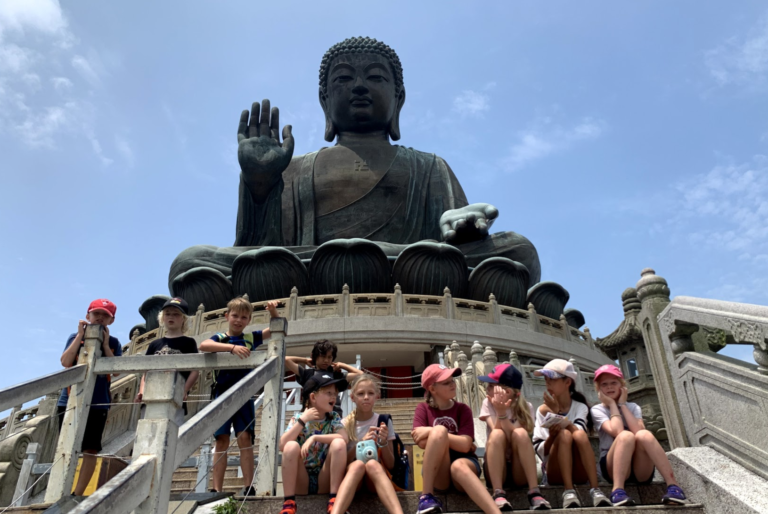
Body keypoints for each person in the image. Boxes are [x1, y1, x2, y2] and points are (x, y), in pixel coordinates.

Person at [199, 297, 279, 495]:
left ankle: (248, 486)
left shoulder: (251, 338)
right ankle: (216, 488)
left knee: (245, 438)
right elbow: (203, 345)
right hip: (222, 394)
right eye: (235, 316)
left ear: (249, 320)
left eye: (244, 317)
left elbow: (278, 329)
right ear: (227, 316)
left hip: (245, 394)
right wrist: (232, 348)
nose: (238, 320)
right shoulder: (221, 338)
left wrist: (273, 312)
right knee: (222, 440)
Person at [591, 364, 687, 506]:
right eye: (604, 384)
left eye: (614, 383)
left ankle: (673, 486)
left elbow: (638, 431)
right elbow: (617, 432)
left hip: (639, 468)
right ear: (599, 389)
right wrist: (612, 404)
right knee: (625, 436)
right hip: (612, 467)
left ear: (622, 386)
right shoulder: (597, 409)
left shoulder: (633, 407)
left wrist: (622, 404)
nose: (609, 387)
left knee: (644, 434)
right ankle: (617, 490)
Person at [412, 364, 500, 514]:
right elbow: (420, 442)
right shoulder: (423, 409)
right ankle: (426, 497)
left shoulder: (463, 409)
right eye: (446, 382)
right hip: (439, 469)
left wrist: (434, 434)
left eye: (452, 380)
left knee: (457, 464)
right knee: (439, 431)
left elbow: (466, 445)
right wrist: (445, 437)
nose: (453, 384)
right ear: (432, 389)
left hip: (465, 462)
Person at [57, 299, 122, 496]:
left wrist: (104, 344)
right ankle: (60, 492)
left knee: (91, 449)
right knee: (65, 447)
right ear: (88, 316)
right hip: (69, 399)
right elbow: (66, 362)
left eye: (105, 316)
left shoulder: (114, 342)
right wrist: (79, 335)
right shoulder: (75, 337)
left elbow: (117, 370)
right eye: (96, 314)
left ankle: (78, 493)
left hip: (99, 402)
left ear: (111, 321)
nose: (100, 318)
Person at [532, 359, 611, 509]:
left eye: (552, 379)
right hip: (554, 471)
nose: (548, 383)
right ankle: (568, 491)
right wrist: (552, 437)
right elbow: (541, 451)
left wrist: (558, 414)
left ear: (567, 382)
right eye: (546, 380)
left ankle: (595, 489)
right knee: (564, 435)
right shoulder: (542, 410)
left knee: (578, 435)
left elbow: (579, 434)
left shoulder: (580, 407)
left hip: (579, 470)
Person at [478, 364, 550, 511]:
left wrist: (503, 414)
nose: (487, 389)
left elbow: (519, 436)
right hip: (497, 469)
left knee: (521, 433)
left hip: (520, 469)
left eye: (492, 386)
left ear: (508, 391)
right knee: (497, 434)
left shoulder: (526, 407)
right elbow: (496, 431)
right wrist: (500, 412)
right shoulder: (488, 403)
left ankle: (534, 492)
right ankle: (498, 493)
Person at [279, 370, 349, 514]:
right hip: (301, 480)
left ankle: (334, 498)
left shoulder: (333, 417)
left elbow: (344, 439)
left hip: (325, 478)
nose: (334, 397)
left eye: (334, 394)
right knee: (291, 445)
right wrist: (302, 421)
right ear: (313, 397)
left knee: (339, 443)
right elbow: (282, 445)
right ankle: (289, 503)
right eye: (328, 393)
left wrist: (315, 438)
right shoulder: (298, 418)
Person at [333, 374, 403, 514]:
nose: (366, 397)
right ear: (353, 398)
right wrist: (360, 443)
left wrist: (383, 443)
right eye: (361, 393)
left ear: (377, 396)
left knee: (372, 463)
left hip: (375, 477)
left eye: (370, 393)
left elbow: (390, 465)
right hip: (353, 478)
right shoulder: (344, 424)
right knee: (359, 465)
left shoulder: (383, 421)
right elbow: (341, 463)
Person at [134, 297, 199, 425]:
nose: (171, 317)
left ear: (183, 319)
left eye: (176, 314)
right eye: (167, 314)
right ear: (162, 318)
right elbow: (146, 372)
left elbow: (195, 371)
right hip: (152, 396)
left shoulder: (188, 343)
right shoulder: (155, 344)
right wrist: (142, 391)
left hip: (175, 397)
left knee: (172, 434)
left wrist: (184, 390)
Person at [285, 340, 363, 414]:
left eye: (329, 357)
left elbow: (360, 374)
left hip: (333, 418)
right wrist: (305, 360)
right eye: (323, 356)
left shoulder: (336, 376)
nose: (326, 360)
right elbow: (286, 360)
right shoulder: (307, 374)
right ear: (315, 356)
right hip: (312, 417)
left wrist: (341, 365)